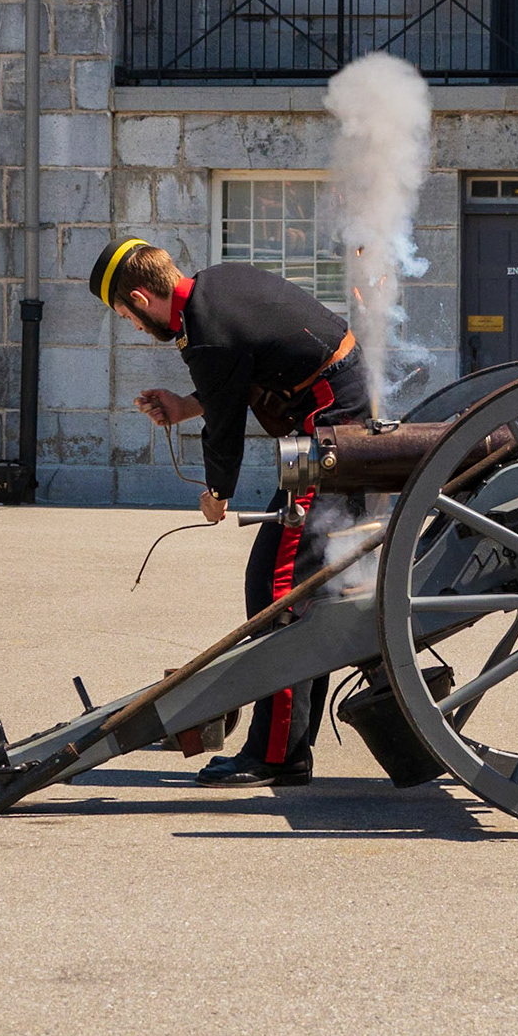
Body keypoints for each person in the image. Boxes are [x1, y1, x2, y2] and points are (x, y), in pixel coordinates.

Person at [89, 236, 370, 787]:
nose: (137, 329)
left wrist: (217, 495)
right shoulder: (215, 290)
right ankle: (290, 743)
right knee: (297, 588)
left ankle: (276, 755)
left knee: (277, 588)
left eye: (129, 317)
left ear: (143, 298)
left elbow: (224, 431)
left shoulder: (206, 336)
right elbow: (232, 383)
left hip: (330, 430)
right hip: (331, 411)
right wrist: (185, 405)